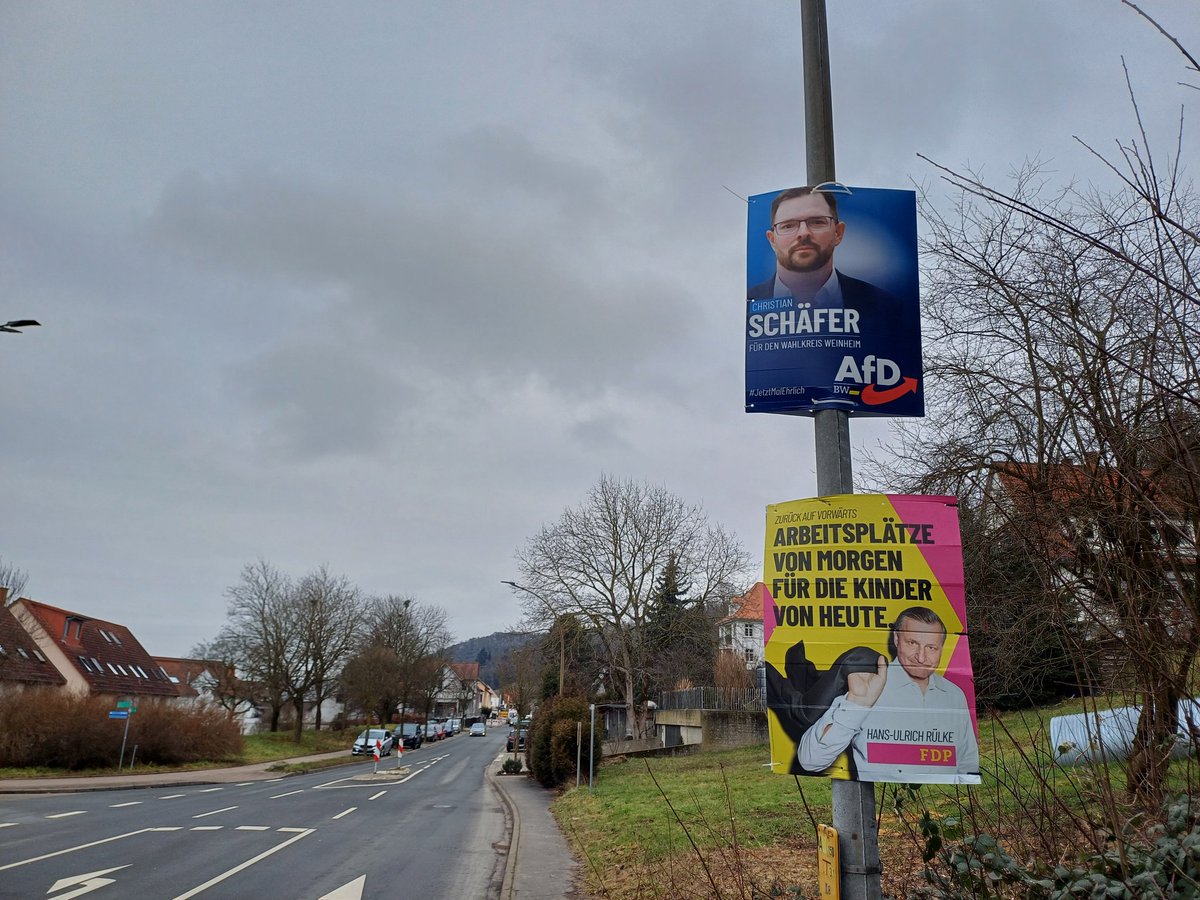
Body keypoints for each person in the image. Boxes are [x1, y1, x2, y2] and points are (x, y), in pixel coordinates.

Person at [796, 606, 979, 782]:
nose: (921, 658)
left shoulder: (955, 695)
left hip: (943, 802)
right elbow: (810, 760)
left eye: (931, 648)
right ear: (897, 639)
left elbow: (968, 762)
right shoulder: (869, 684)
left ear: (942, 648)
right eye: (912, 643)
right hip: (881, 800)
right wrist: (857, 704)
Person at [747, 185, 893, 311]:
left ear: (838, 233)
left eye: (817, 222)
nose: (803, 233)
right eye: (788, 225)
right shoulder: (746, 308)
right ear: (772, 240)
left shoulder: (887, 306)